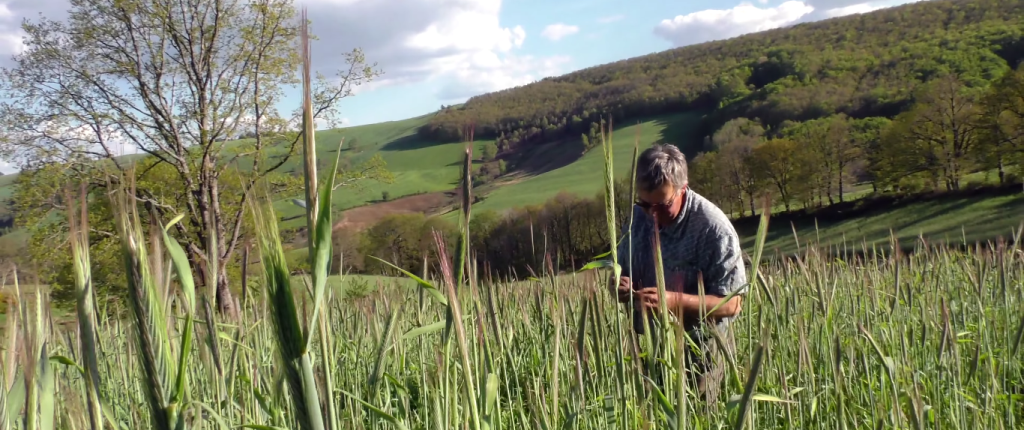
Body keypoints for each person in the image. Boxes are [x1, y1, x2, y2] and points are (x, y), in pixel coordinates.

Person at [610, 143, 747, 407]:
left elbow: (732, 303)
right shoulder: (640, 215)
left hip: (700, 353)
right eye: (644, 203)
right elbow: (621, 267)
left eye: (662, 205)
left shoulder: (713, 229)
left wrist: (673, 301)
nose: (652, 215)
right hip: (651, 346)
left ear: (683, 188)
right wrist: (620, 283)